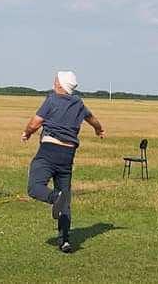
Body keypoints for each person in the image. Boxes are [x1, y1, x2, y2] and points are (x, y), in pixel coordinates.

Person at [22, 71, 105, 253]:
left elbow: (35, 123)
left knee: (34, 187)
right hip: (68, 155)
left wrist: (27, 133)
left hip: (49, 151)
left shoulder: (52, 99)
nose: (54, 82)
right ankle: (65, 241)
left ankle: (54, 197)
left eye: (56, 79)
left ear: (61, 85)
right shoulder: (78, 103)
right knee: (65, 200)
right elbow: (93, 120)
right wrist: (99, 130)